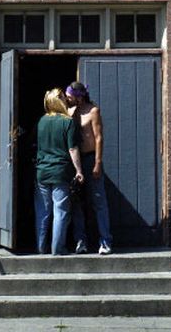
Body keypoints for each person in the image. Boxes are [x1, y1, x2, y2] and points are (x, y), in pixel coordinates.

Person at [34, 88, 84, 255]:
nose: (66, 100)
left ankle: (41, 247)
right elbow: (72, 148)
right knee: (60, 211)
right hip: (60, 172)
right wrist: (79, 170)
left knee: (43, 212)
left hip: (42, 172)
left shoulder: (41, 121)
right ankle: (58, 249)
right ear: (58, 101)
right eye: (63, 97)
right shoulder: (67, 122)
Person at [65, 81, 113, 255]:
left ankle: (106, 241)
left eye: (71, 96)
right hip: (75, 161)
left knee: (99, 202)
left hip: (90, 158)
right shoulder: (70, 112)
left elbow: (98, 137)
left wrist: (98, 162)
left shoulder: (93, 111)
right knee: (77, 201)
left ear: (80, 96)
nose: (68, 99)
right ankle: (80, 241)